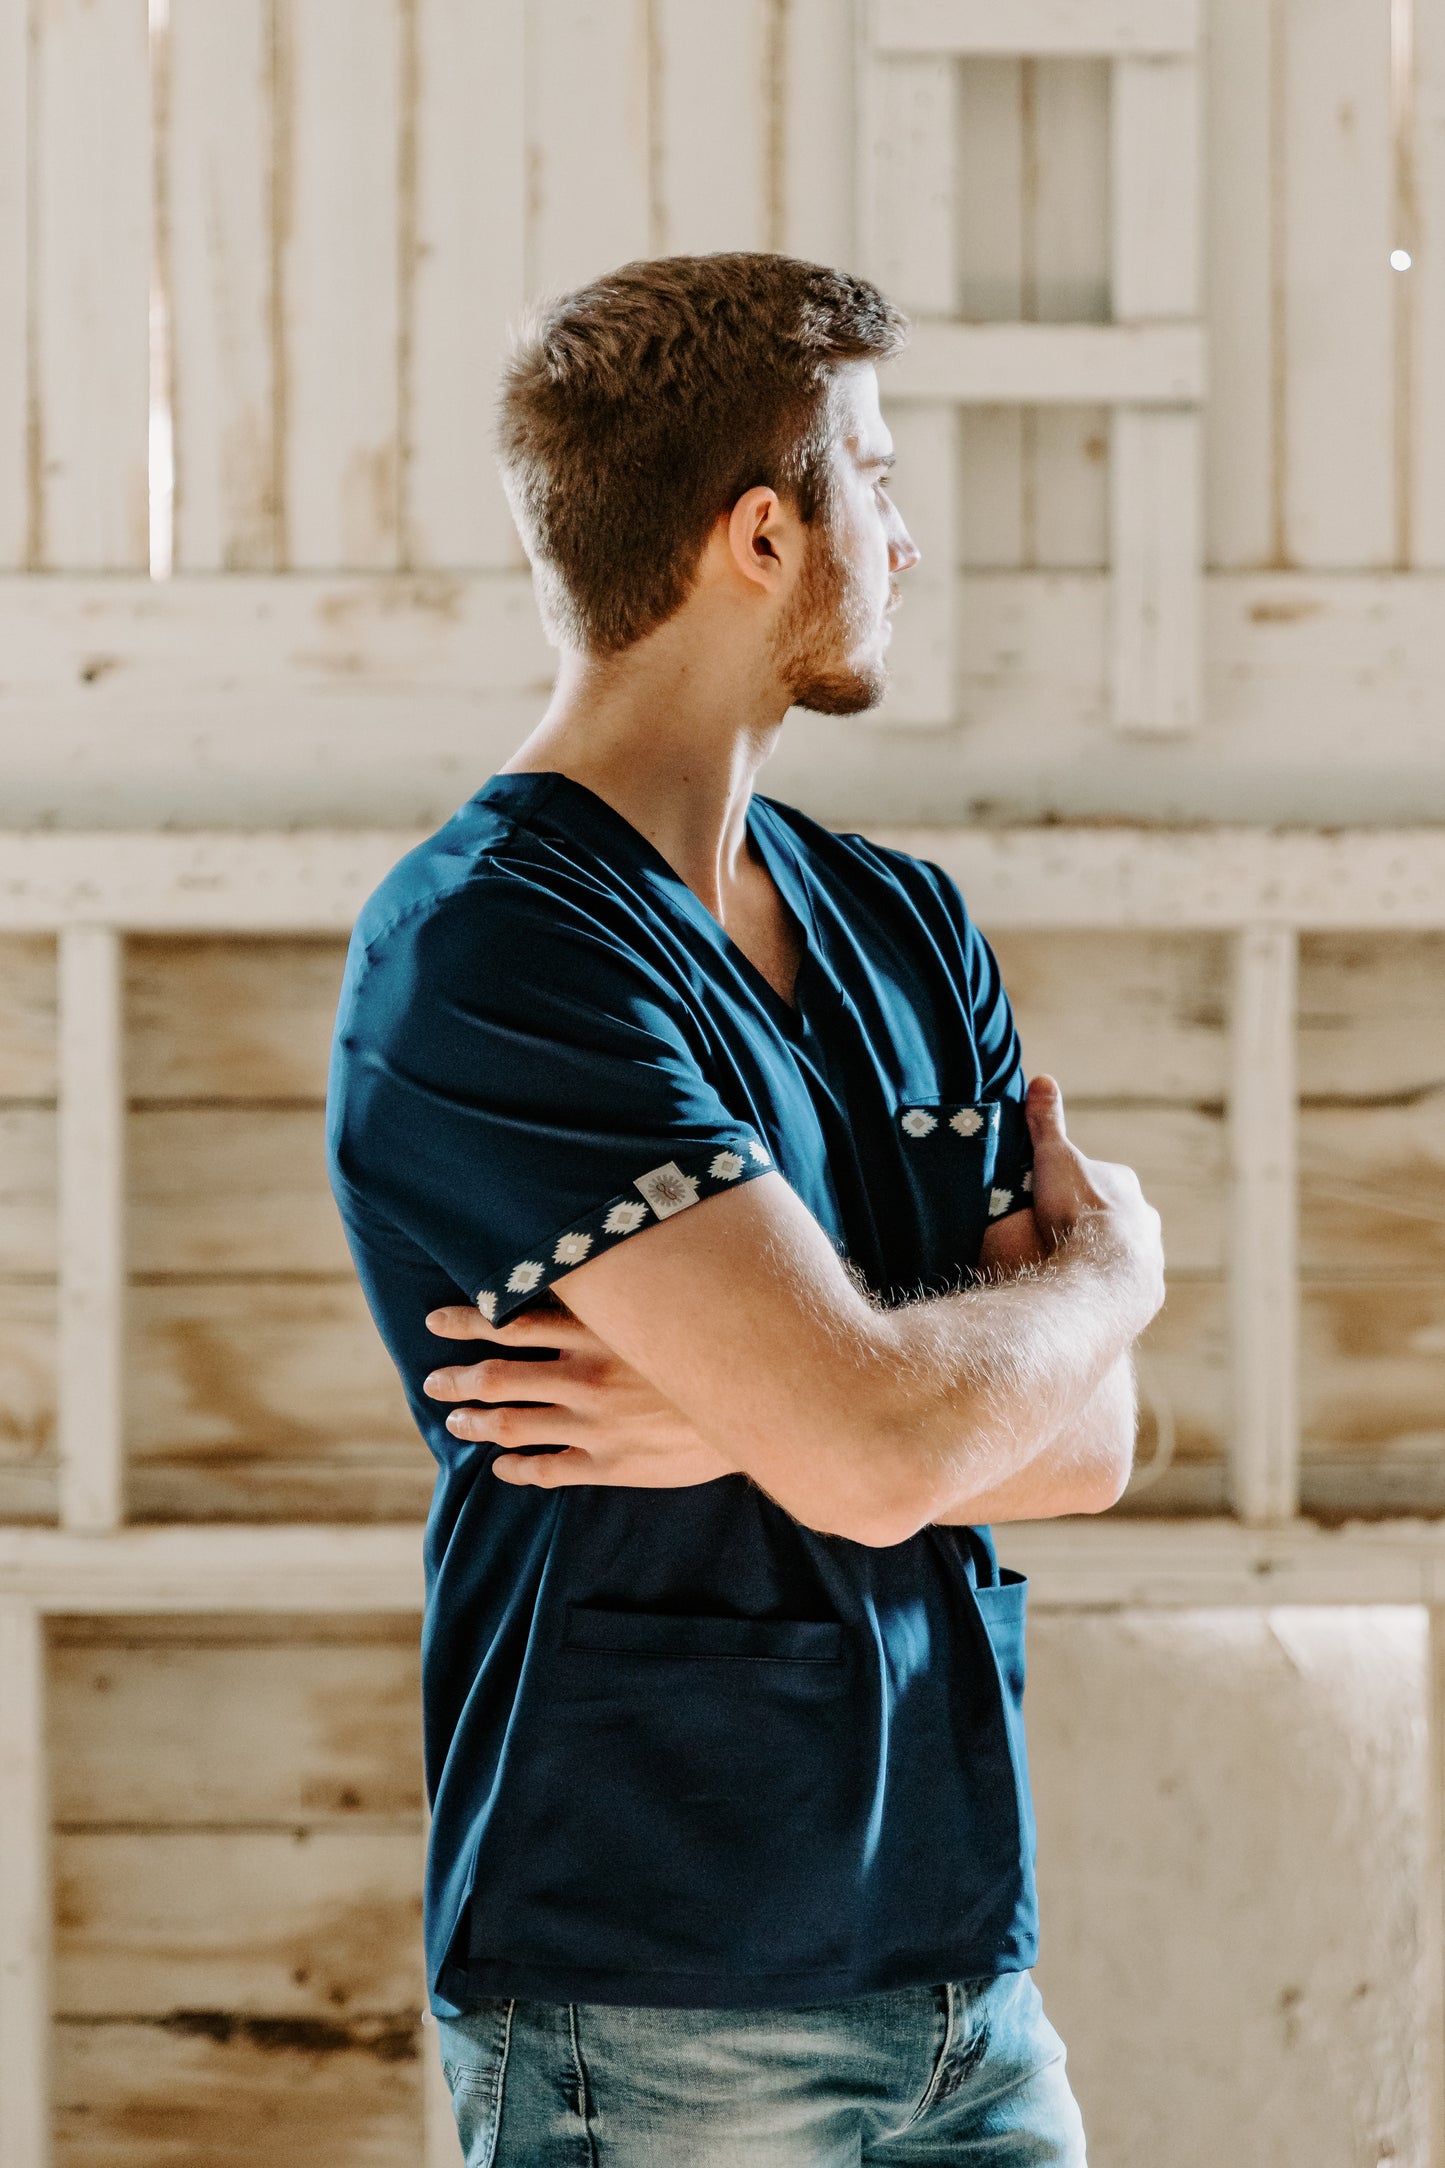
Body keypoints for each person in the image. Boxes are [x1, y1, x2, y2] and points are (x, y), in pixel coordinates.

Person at [326, 252, 1164, 2166]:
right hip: (653, 2000)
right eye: (875, 473)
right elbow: (901, 1446)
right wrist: (1104, 1277)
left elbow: (1093, 1443)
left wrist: (748, 1419)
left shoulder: (903, 921)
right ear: (765, 534)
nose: (909, 536)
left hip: (965, 1978)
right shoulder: (493, 953)